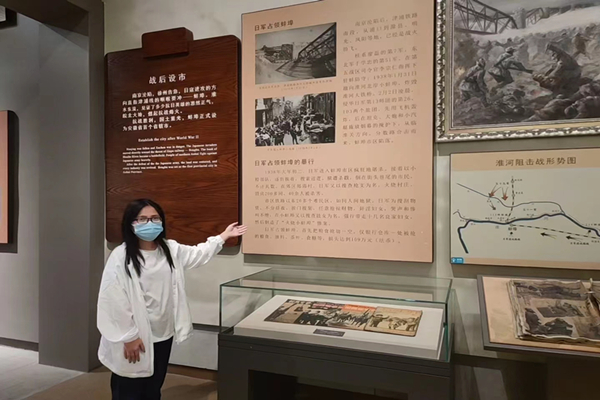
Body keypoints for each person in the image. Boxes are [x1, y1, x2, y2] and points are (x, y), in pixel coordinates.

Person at [97, 199, 247, 400]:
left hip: (162, 332)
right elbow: (114, 300)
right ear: (131, 223)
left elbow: (198, 254)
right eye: (142, 219)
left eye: (155, 218)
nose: (150, 223)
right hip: (135, 335)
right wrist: (129, 337)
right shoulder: (121, 256)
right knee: (129, 385)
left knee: (154, 385)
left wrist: (222, 237)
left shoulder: (169, 249)